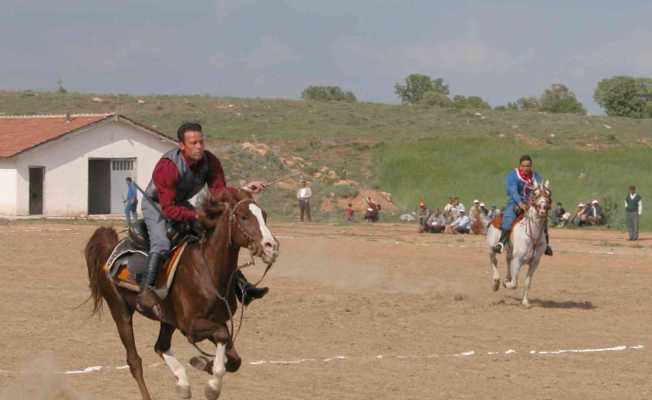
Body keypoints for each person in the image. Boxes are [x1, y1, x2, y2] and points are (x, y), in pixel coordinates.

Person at [138, 122, 269, 310]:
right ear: (181, 145)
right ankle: (147, 290)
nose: (199, 146)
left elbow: (218, 192)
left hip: (180, 202)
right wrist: (196, 215)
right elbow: (168, 209)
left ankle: (242, 288)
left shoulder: (210, 161)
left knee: (215, 240)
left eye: (201, 142)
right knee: (162, 243)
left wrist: (244, 189)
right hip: (156, 205)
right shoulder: (167, 167)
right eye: (193, 143)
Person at [493, 155, 553, 256]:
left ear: (531, 166)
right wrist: (520, 204)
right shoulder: (513, 175)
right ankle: (501, 243)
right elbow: (513, 191)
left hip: (531, 204)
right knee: (509, 217)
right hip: (515, 202)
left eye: (528, 166)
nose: (526, 168)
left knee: (543, 219)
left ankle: (546, 245)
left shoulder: (536, 176)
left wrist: (542, 201)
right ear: (520, 166)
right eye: (523, 166)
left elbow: (540, 190)